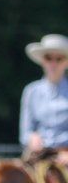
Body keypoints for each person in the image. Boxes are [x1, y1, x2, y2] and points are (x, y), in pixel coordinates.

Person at [19, 33, 68, 165]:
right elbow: (25, 132)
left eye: (59, 59)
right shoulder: (31, 91)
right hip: (38, 155)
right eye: (48, 58)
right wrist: (32, 138)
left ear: (66, 62)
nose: (53, 63)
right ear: (42, 60)